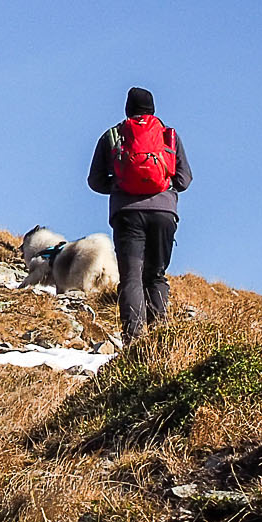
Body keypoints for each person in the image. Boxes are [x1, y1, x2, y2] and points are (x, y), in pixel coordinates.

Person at [88, 87, 193, 345]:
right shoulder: (169, 136)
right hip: (163, 214)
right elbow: (184, 179)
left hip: (127, 215)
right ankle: (160, 339)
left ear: (127, 109)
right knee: (155, 275)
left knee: (131, 277)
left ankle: (134, 341)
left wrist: (119, 186)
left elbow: (95, 181)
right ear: (153, 109)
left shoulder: (112, 136)